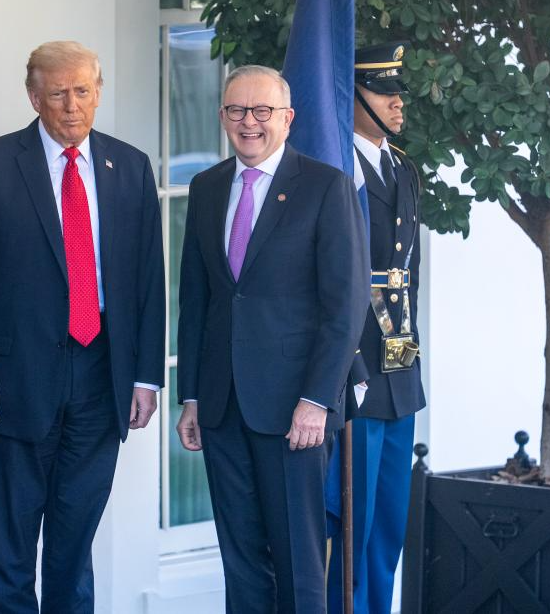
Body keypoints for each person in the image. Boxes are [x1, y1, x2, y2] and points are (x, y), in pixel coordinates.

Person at [0, 41, 165, 613]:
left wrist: (145, 377)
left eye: (83, 91)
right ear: (34, 97)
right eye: (58, 94)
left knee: (72, 550)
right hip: (10, 383)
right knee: (6, 554)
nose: (72, 105)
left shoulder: (129, 167)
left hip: (101, 382)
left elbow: (148, 282)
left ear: (99, 92)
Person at [175, 65, 368, 613]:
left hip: (293, 410)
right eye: (237, 111)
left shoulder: (324, 186)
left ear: (288, 118)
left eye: (262, 112)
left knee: (299, 560)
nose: (249, 123)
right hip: (221, 405)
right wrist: (192, 394)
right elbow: (199, 300)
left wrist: (316, 400)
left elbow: (345, 305)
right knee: (240, 561)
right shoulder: (207, 186)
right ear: (222, 118)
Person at [326, 42, 426, 614]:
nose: (396, 102)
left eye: (397, 91)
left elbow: (405, 273)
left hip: (398, 363)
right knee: (352, 526)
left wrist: (407, 356)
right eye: (384, 91)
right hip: (354, 365)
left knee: (389, 524)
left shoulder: (402, 168)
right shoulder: (335, 170)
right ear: (355, 95)